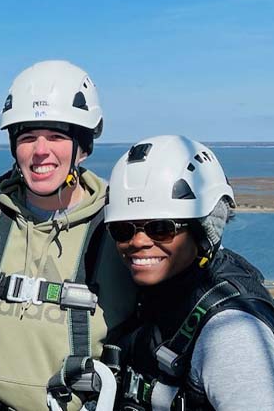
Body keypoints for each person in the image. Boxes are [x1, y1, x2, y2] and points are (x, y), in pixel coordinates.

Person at [0, 60, 136, 410]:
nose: (40, 151)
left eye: (56, 136)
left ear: (81, 146)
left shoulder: (121, 225)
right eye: (27, 137)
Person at [102, 135, 274, 410]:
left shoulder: (231, 332)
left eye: (161, 227)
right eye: (123, 230)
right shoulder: (159, 296)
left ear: (203, 230)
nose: (137, 241)